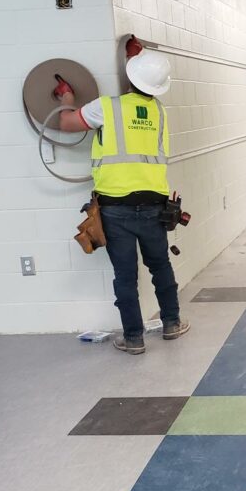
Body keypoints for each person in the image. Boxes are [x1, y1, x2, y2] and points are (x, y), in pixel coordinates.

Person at [57, 51, 190, 356]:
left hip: (115, 208)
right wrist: (136, 56)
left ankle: (133, 339)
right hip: (155, 206)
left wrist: (66, 98)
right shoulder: (159, 112)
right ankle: (171, 323)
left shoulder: (105, 107)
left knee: (125, 275)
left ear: (131, 77)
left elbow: (66, 122)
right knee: (160, 266)